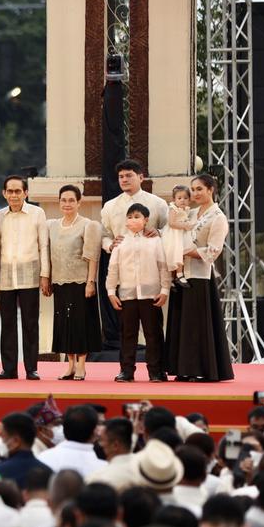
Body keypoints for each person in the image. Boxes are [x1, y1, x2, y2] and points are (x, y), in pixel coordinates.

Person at [164, 174, 234, 382]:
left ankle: (201, 369)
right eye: (193, 189)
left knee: (197, 325)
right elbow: (172, 230)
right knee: (181, 323)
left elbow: (213, 251)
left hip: (200, 276)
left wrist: (185, 251)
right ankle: (181, 368)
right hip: (181, 272)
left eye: (199, 189)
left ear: (210, 189)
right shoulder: (191, 212)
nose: (194, 193)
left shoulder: (218, 217)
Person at [99, 159, 168, 348]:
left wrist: (159, 232)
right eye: (121, 176)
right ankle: (127, 365)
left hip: (151, 274)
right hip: (125, 274)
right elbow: (104, 234)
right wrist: (110, 245)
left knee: (153, 329)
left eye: (129, 175)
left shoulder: (158, 203)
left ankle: (157, 365)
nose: (124, 179)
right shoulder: (110, 206)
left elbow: (171, 230)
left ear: (141, 177)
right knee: (127, 330)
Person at [106, 203, 170, 383]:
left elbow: (163, 267)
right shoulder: (120, 242)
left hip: (151, 295)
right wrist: (111, 292)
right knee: (127, 335)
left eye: (137, 217)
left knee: (153, 334)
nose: (132, 220)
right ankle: (126, 371)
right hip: (127, 296)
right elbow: (113, 269)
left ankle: (156, 371)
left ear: (146, 220)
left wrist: (165, 290)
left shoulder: (155, 241)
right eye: (129, 217)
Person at [0, 175, 49, 381]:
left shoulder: (37, 213)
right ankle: (9, 369)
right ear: (4, 193)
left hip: (30, 275)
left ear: (26, 193)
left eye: (18, 191)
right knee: (7, 324)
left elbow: (44, 245)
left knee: (30, 324)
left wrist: (45, 275)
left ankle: (31, 368)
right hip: (5, 276)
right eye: (10, 191)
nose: (14, 195)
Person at [47, 185, 101, 381]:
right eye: (63, 200)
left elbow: (92, 257)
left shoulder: (88, 225)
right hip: (60, 282)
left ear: (79, 202)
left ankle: (81, 365)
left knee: (80, 324)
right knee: (64, 323)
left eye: (71, 200)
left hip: (81, 283)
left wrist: (90, 282)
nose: (67, 204)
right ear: (59, 202)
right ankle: (69, 365)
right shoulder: (51, 225)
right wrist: (47, 278)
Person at [161, 185, 195, 288]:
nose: (182, 200)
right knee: (175, 252)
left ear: (189, 199)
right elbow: (172, 223)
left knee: (183, 253)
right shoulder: (173, 209)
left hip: (181, 233)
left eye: (185, 198)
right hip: (173, 234)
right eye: (179, 198)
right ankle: (178, 275)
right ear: (174, 199)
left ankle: (175, 276)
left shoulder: (186, 209)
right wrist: (185, 225)